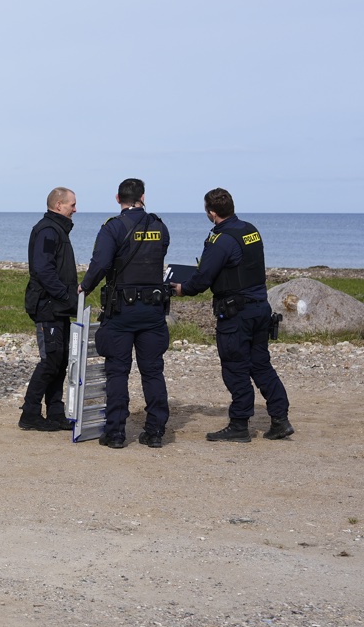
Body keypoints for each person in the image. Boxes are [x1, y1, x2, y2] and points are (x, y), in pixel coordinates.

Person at [172, 188, 292, 442]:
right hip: (260, 307)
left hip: (237, 313)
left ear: (211, 213)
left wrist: (183, 289)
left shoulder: (221, 239)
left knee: (235, 367)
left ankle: (239, 424)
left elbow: (203, 277)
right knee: (260, 364)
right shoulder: (250, 230)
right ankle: (280, 419)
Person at [78, 178, 170, 449]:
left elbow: (101, 263)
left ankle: (116, 433)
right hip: (153, 311)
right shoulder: (159, 226)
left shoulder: (113, 227)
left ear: (118, 199)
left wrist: (84, 286)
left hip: (122, 310)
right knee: (152, 372)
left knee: (118, 371)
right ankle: (155, 432)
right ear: (143, 196)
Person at [20, 187, 78, 431]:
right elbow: (44, 270)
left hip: (59, 307)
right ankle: (30, 413)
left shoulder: (57, 229)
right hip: (47, 306)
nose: (75, 209)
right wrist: (65, 294)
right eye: (71, 205)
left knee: (61, 359)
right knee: (50, 361)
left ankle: (55, 411)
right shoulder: (47, 231)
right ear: (58, 205)